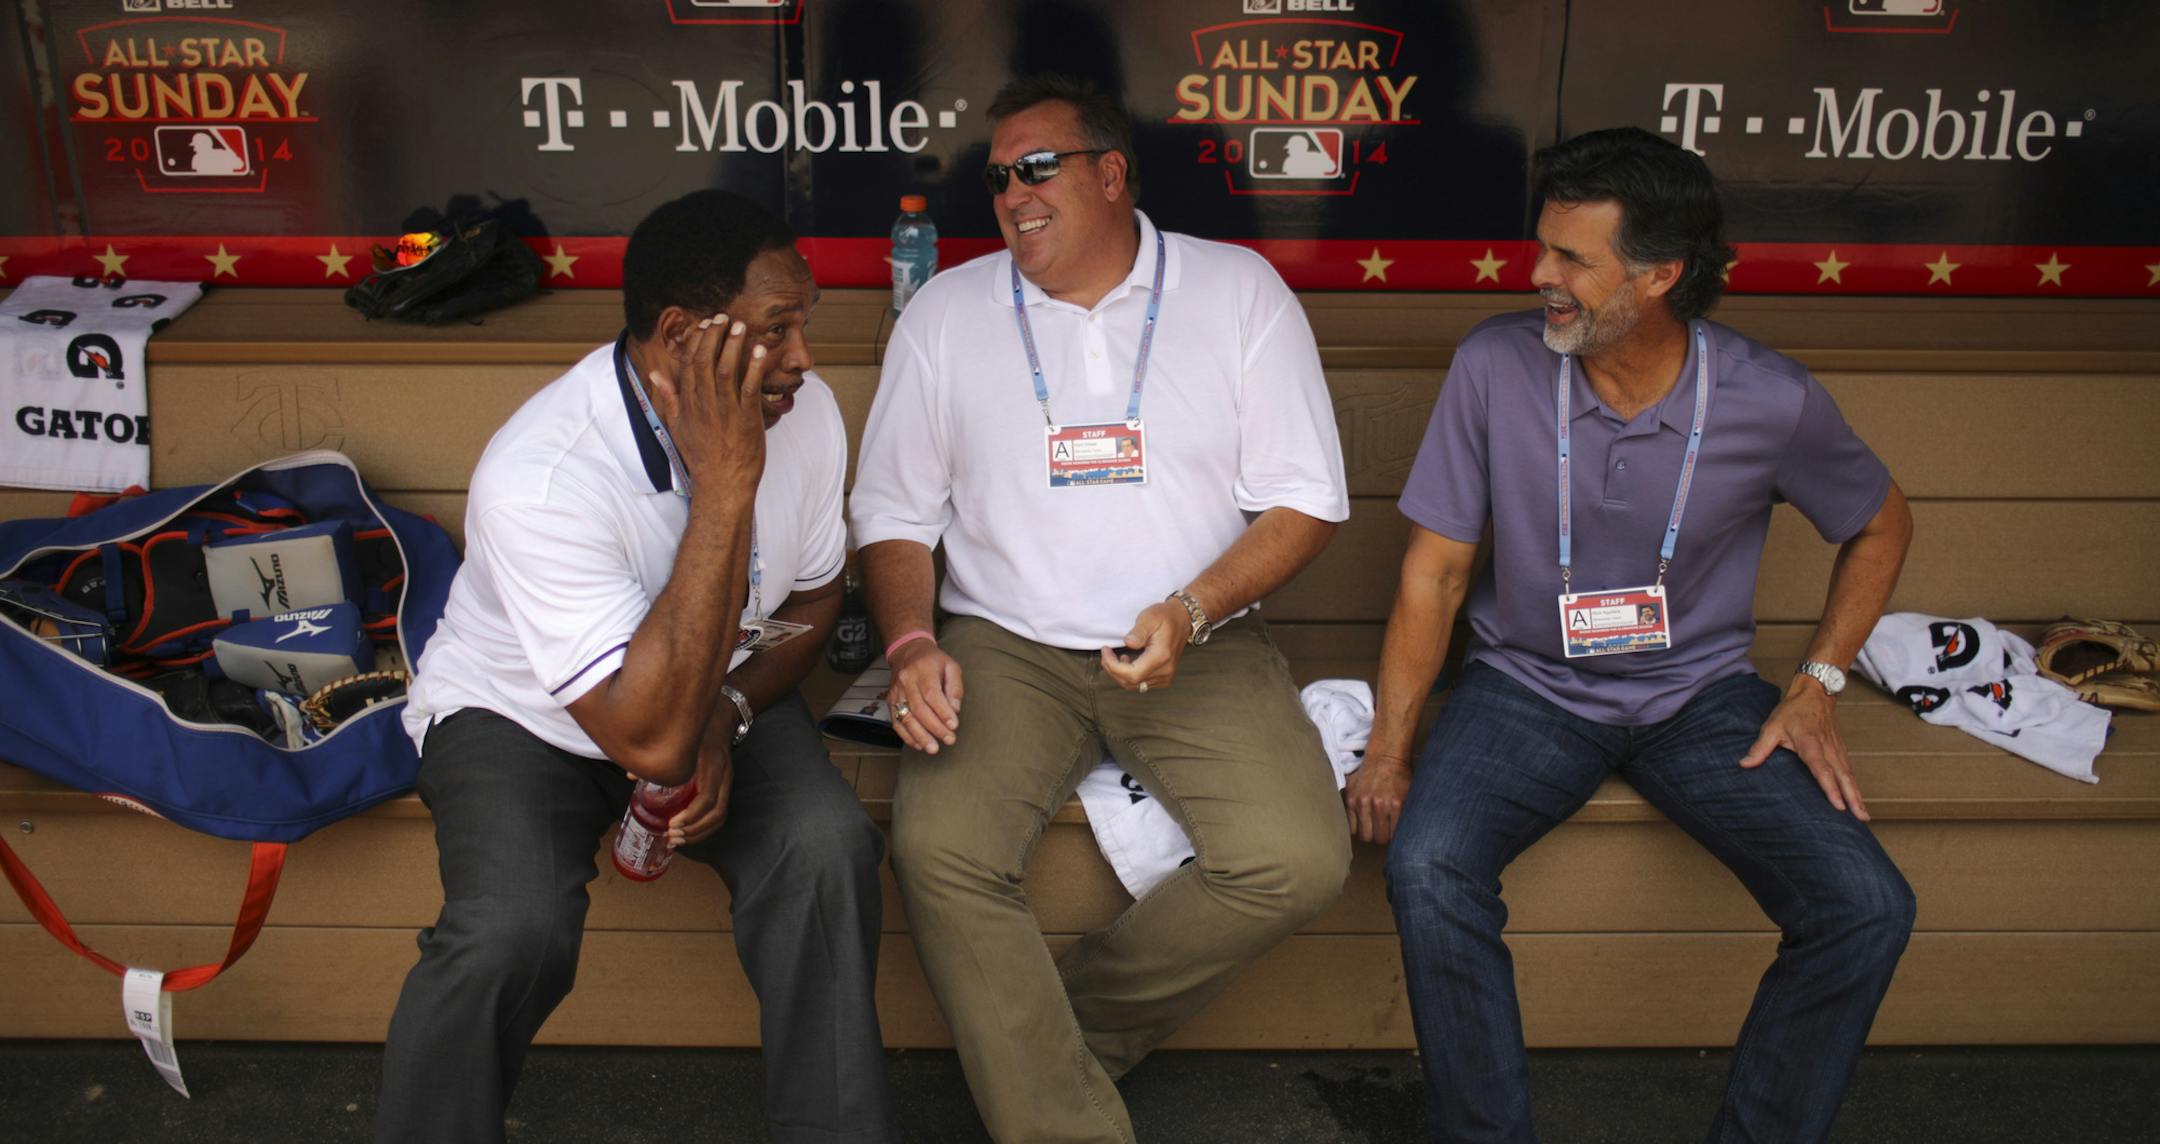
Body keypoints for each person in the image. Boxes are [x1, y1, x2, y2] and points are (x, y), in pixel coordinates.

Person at [1347, 127, 1917, 1144]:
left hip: (1699, 698)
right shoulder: (1495, 364)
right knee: (1428, 871)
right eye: (1542, 247)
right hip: (1526, 689)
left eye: (1573, 259)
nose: (1539, 275)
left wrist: (1817, 681)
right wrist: (1389, 751)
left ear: (1661, 275)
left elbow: (1881, 523)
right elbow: (1436, 572)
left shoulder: (1770, 398)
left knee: (1866, 904)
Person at [849, 74, 1353, 1143]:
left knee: (1296, 859)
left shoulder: (1237, 290)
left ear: (1112, 172)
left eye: (1037, 168)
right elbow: (892, 511)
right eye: (998, 179)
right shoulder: (945, 311)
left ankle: (1045, 1046)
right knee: (941, 852)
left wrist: (1193, 608)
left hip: (1195, 635)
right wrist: (911, 642)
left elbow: (1306, 499)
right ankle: (1059, 1113)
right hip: (1006, 642)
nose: (1013, 196)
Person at [376, 189, 897, 1144]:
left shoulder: (806, 413)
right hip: (523, 717)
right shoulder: (542, 476)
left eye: (805, 324)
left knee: (825, 851)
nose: (805, 359)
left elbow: (815, 600)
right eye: (776, 329)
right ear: (682, 336)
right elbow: (648, 739)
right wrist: (727, 481)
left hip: (717, 691)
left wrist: (728, 711)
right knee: (509, 931)